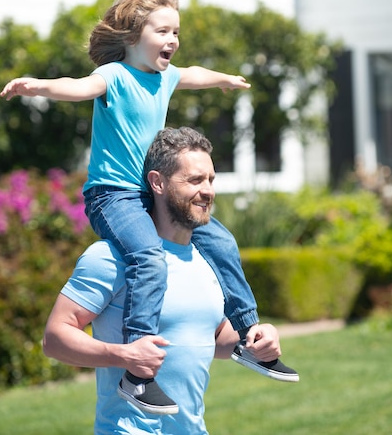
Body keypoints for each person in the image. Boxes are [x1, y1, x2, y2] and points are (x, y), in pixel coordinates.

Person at [1, 0, 298, 414]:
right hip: (113, 195)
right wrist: (38, 87)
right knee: (147, 255)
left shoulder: (166, 77)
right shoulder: (116, 75)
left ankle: (250, 338)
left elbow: (193, 72)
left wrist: (224, 79)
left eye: (176, 31)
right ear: (131, 36)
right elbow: (78, 86)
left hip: (146, 193)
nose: (172, 39)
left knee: (223, 243)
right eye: (162, 31)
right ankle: (138, 373)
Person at [43, 127, 298, 434]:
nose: (208, 191)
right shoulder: (111, 258)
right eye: (194, 180)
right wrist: (123, 355)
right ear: (158, 182)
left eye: (210, 180)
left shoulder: (208, 260)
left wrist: (258, 339)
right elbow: (54, 338)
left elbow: (210, 339)